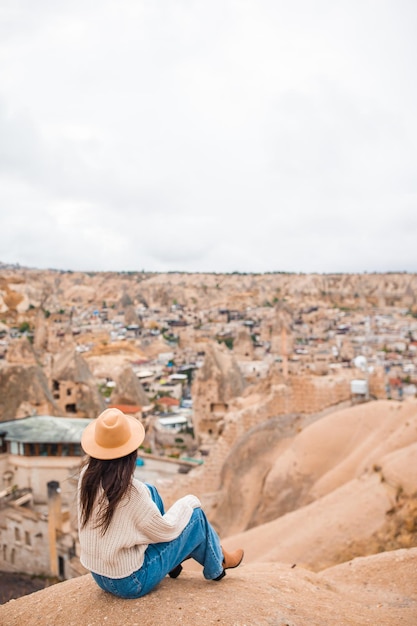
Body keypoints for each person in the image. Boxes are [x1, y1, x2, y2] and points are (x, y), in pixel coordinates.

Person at [77, 408, 244, 599]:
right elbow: (166, 531)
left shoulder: (86, 478)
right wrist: (190, 502)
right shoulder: (132, 492)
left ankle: (173, 564)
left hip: (100, 575)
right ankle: (218, 563)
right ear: (130, 453)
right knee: (195, 517)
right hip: (130, 581)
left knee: (151, 491)